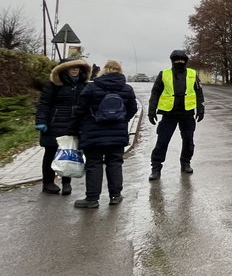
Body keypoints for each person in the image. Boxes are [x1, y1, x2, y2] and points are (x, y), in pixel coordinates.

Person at [69, 60, 138, 208]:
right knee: (115, 163)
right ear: (120, 71)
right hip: (117, 135)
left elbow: (80, 111)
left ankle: (92, 199)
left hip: (93, 133)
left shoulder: (91, 87)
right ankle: (115, 196)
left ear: (104, 71)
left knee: (94, 165)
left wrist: (73, 130)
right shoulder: (127, 89)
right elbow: (133, 109)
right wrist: (122, 120)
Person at [35, 58, 91, 195]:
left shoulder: (84, 85)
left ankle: (67, 183)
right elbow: (44, 104)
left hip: (74, 123)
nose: (75, 70)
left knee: (70, 152)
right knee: (50, 153)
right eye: (72, 68)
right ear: (64, 69)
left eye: (77, 67)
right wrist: (41, 121)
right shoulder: (53, 84)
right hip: (54, 124)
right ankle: (48, 183)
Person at [147, 49, 205, 181]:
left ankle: (185, 163)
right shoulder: (164, 74)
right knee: (162, 141)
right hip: (169, 114)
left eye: (182, 60)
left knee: (188, 141)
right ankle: (156, 168)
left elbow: (198, 92)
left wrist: (201, 109)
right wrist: (152, 111)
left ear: (185, 61)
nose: (180, 62)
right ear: (172, 61)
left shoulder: (192, 74)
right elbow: (155, 93)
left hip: (187, 114)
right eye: (177, 60)